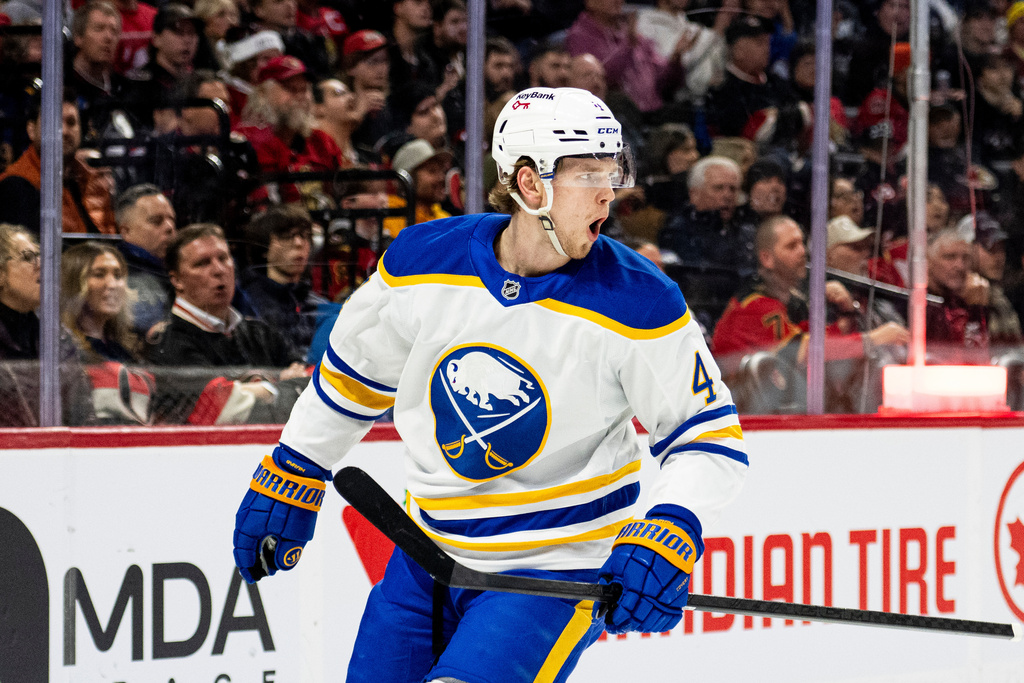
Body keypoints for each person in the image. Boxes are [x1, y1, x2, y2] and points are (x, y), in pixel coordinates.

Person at [231, 87, 747, 682]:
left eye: (613, 170)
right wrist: (295, 466)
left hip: (552, 571)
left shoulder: (638, 298)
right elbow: (354, 378)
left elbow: (707, 437)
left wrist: (669, 522)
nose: (609, 190)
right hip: (425, 556)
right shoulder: (424, 261)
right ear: (530, 185)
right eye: (587, 173)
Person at [145, 223, 309, 424]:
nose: (219, 270)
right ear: (177, 280)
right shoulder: (169, 345)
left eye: (223, 258)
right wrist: (280, 384)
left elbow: (314, 384)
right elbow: (221, 411)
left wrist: (260, 392)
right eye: (203, 263)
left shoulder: (259, 332)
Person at [0, 224, 93, 426]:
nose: (41, 264)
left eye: (41, 256)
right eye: (27, 257)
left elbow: (82, 416)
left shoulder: (58, 337)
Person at [0, 91, 115, 235]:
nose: (64, 131)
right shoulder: (15, 187)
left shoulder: (92, 182)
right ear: (31, 130)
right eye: (54, 122)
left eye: (71, 122)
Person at [239, 205, 327, 356]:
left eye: (305, 236)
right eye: (287, 236)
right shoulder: (247, 302)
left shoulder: (319, 304)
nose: (299, 244)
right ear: (264, 247)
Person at [113, 184, 177, 339]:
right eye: (156, 221)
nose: (169, 227)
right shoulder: (119, 275)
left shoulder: (181, 266)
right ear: (126, 232)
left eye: (172, 220)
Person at [925, 227, 990, 363]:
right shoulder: (917, 303)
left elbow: (978, 354)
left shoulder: (971, 297)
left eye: (965, 258)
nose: (959, 266)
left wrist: (977, 309)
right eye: (949, 257)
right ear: (929, 261)